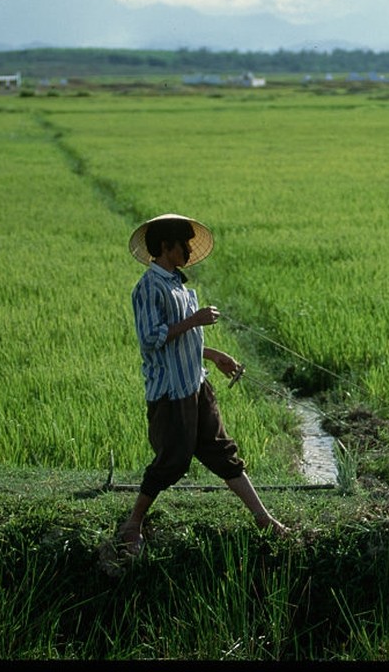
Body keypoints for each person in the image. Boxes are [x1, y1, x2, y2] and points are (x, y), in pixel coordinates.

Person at [117, 213, 287, 556]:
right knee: (173, 461)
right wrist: (194, 320)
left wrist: (211, 355)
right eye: (184, 244)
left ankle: (263, 518)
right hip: (171, 391)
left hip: (196, 383)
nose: (189, 251)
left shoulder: (178, 284)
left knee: (222, 452)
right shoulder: (148, 287)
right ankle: (133, 523)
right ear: (166, 246)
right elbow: (151, 339)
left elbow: (182, 340)